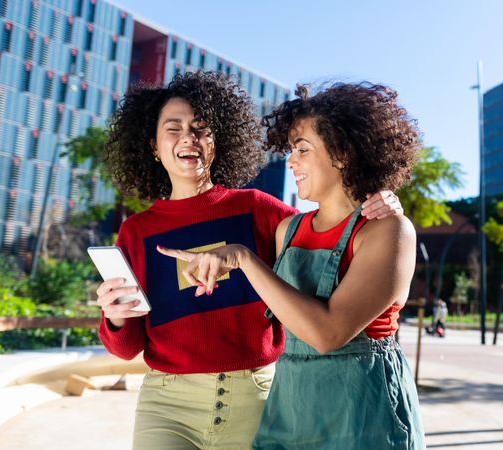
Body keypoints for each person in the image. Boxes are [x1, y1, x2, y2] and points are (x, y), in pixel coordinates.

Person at [94, 71, 401, 449]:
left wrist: (381, 199)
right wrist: (116, 317)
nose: (188, 137)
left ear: (217, 141)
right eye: (173, 129)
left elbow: (332, 228)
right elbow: (126, 349)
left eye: (201, 128)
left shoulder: (258, 209)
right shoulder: (135, 232)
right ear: (154, 147)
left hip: (255, 399)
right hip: (166, 406)